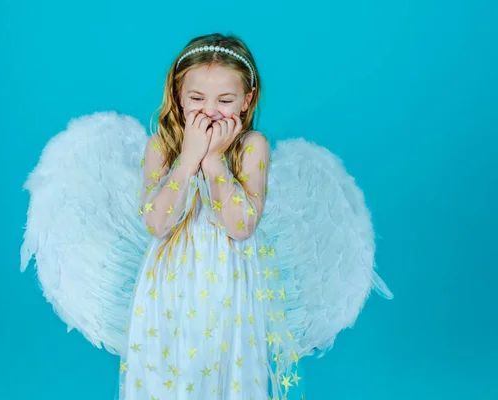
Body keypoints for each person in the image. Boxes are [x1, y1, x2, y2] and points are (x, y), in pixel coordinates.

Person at [20, 33, 393, 400]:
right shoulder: (162, 148)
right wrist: (188, 158)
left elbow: (241, 226)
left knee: (226, 373)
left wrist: (214, 159)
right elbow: (156, 223)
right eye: (197, 98)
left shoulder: (251, 147)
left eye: (225, 99)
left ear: (247, 101)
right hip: (168, 288)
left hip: (230, 289)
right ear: (178, 96)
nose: (210, 110)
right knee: (169, 374)